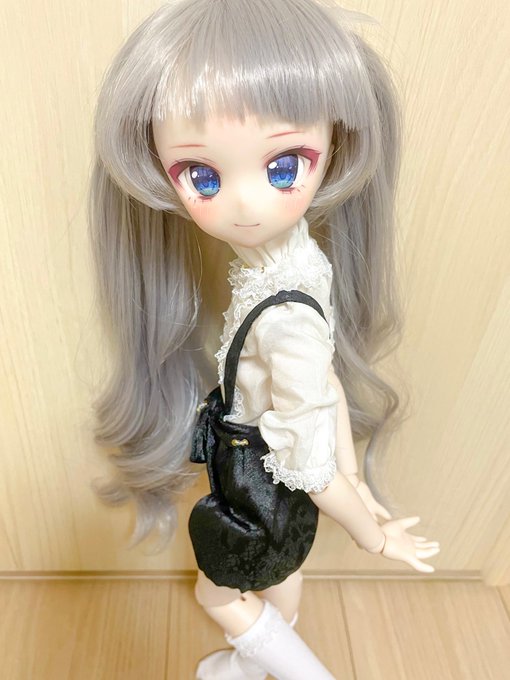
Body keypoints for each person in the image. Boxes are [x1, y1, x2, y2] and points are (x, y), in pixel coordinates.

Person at [87, 1, 440, 678]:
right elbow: (325, 388)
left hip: (263, 482)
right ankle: (265, 664)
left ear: (335, 146)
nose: (245, 204)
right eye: (202, 176)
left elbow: (308, 461)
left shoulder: (286, 318)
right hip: (282, 490)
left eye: (283, 166)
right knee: (282, 571)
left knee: (215, 594)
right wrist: (357, 486)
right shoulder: (300, 261)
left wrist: (371, 533)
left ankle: (297, 671)